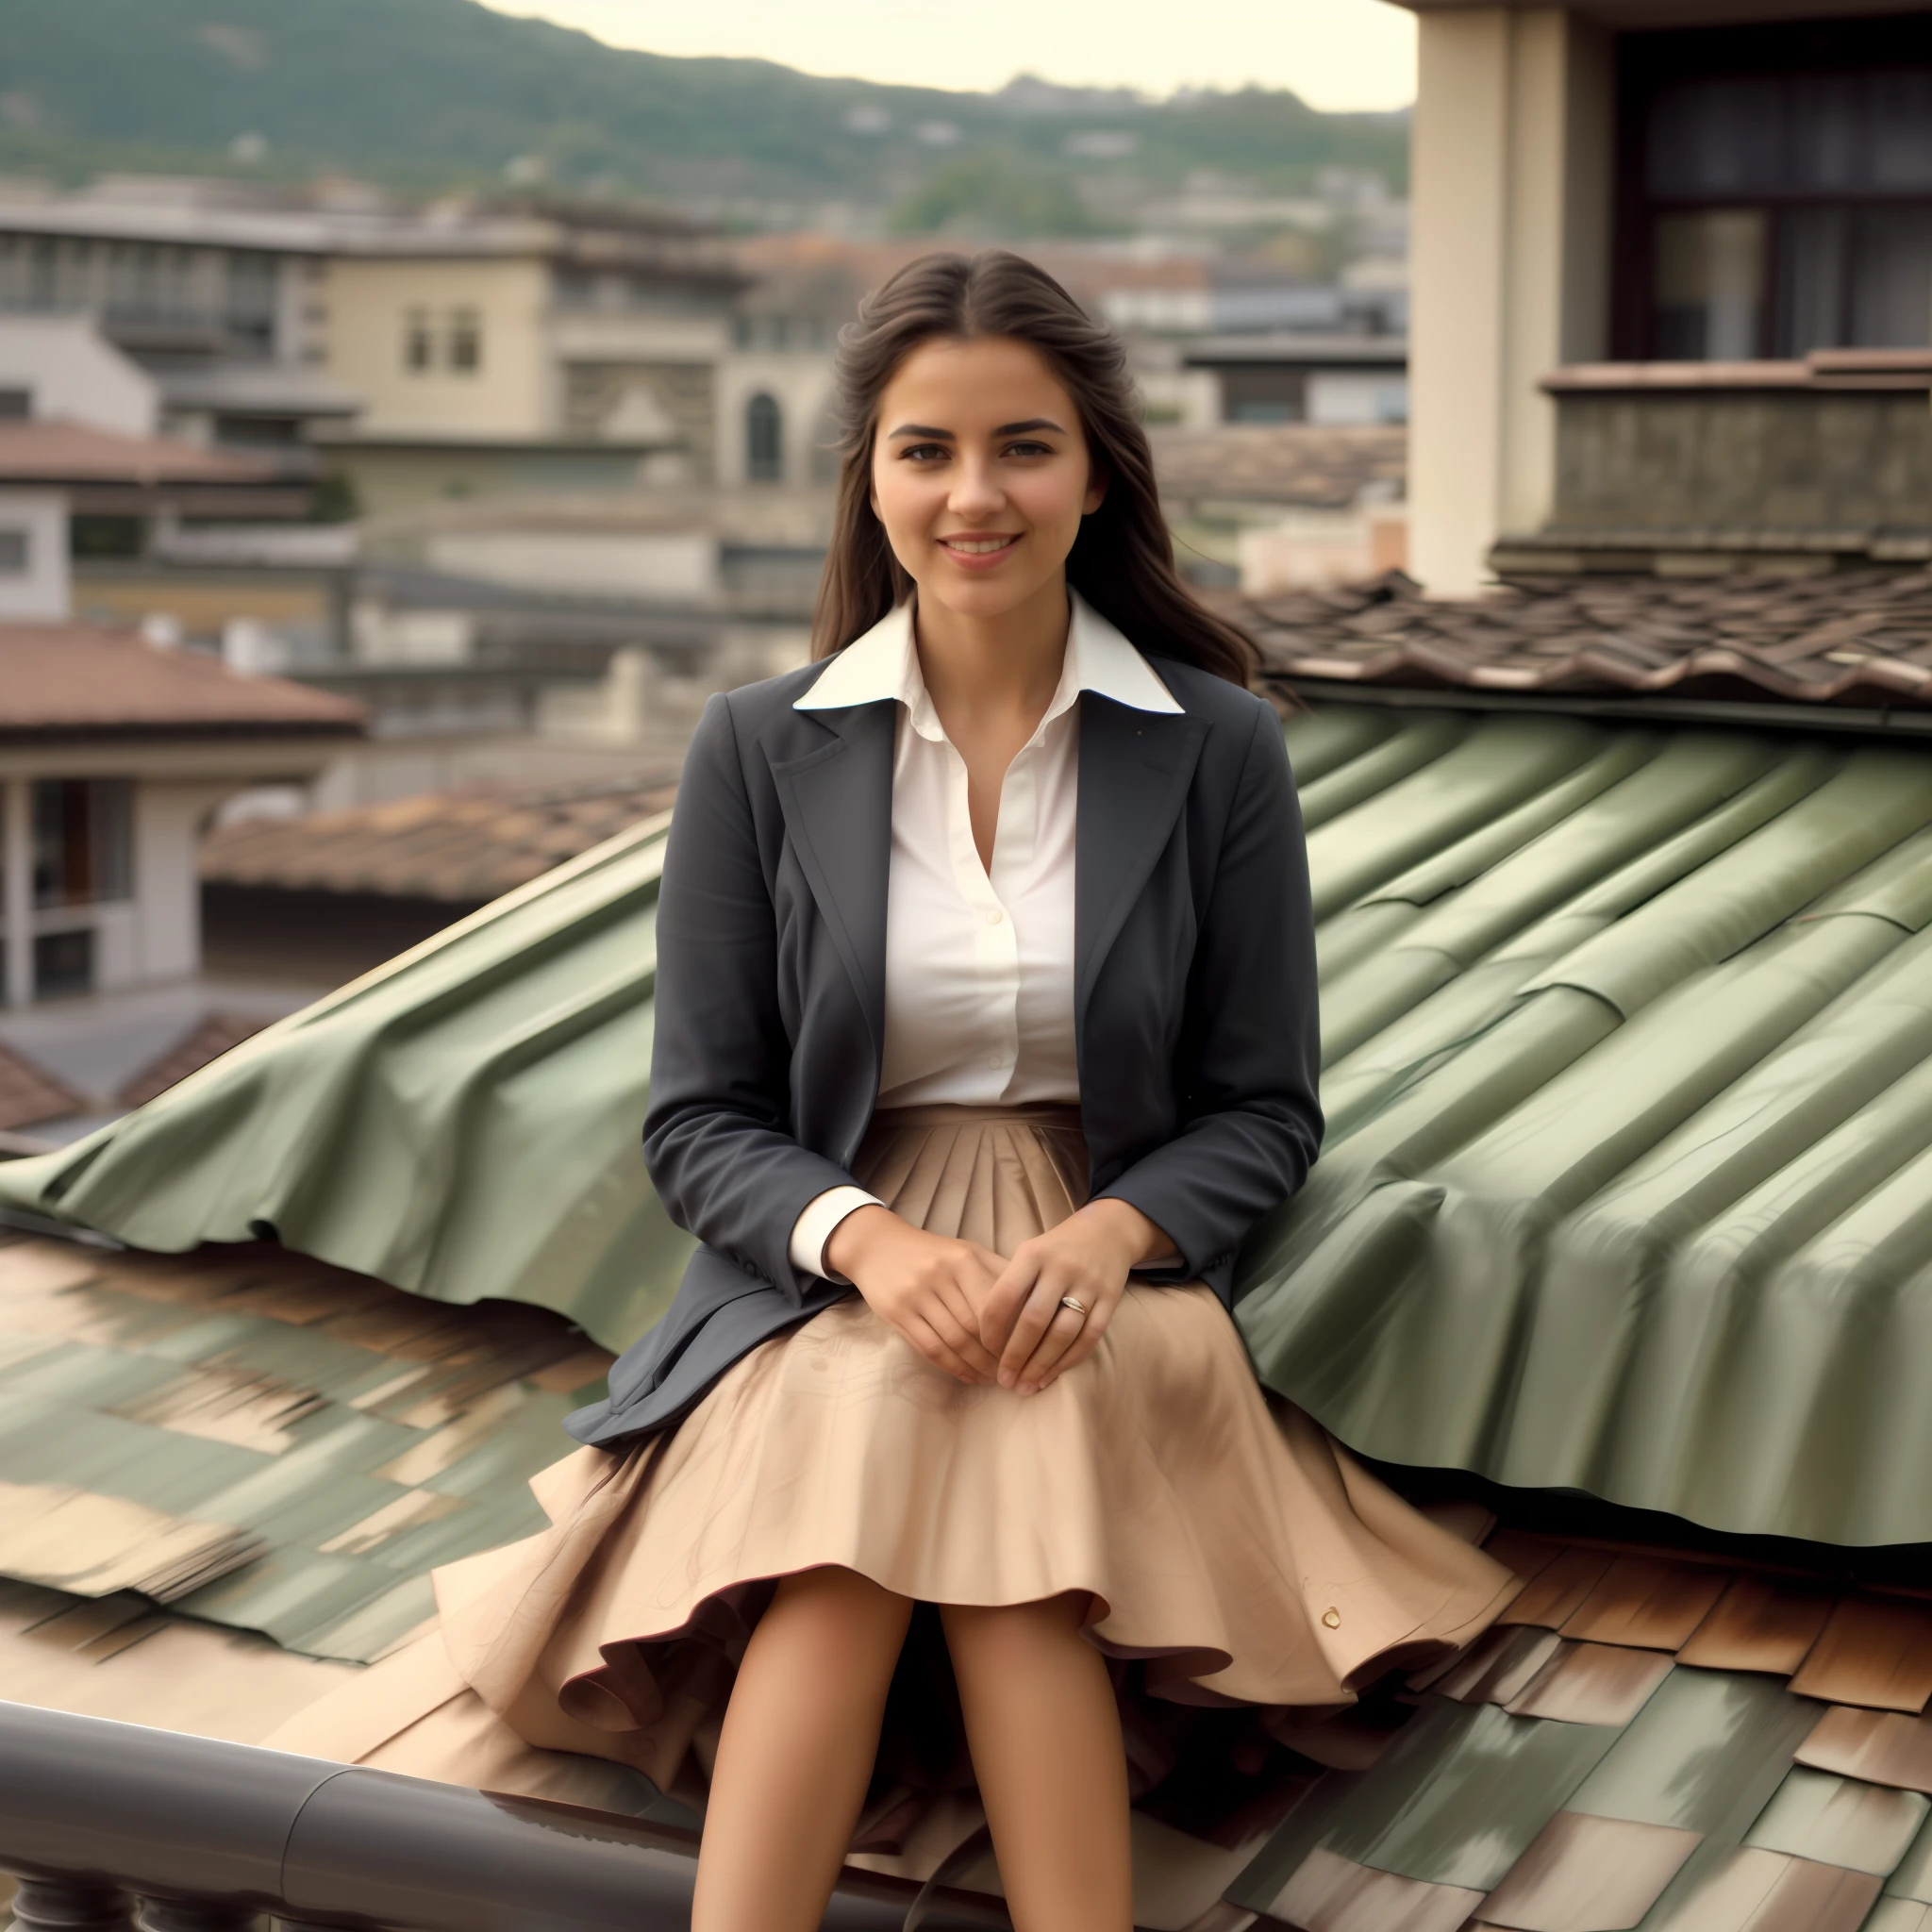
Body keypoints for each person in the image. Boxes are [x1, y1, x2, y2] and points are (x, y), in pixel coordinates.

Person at [274, 252, 1516, 1932]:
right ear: (870, 475)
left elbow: (1264, 1108)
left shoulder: (1217, 748)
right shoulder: (760, 745)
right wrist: (868, 1246)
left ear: (1096, 472)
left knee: (1009, 1549)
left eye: (1023, 446)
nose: (973, 494)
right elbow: (700, 1116)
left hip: (1102, 1256)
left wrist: (1106, 1242)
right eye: (926, 450)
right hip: (831, 1261)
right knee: (856, 1532)